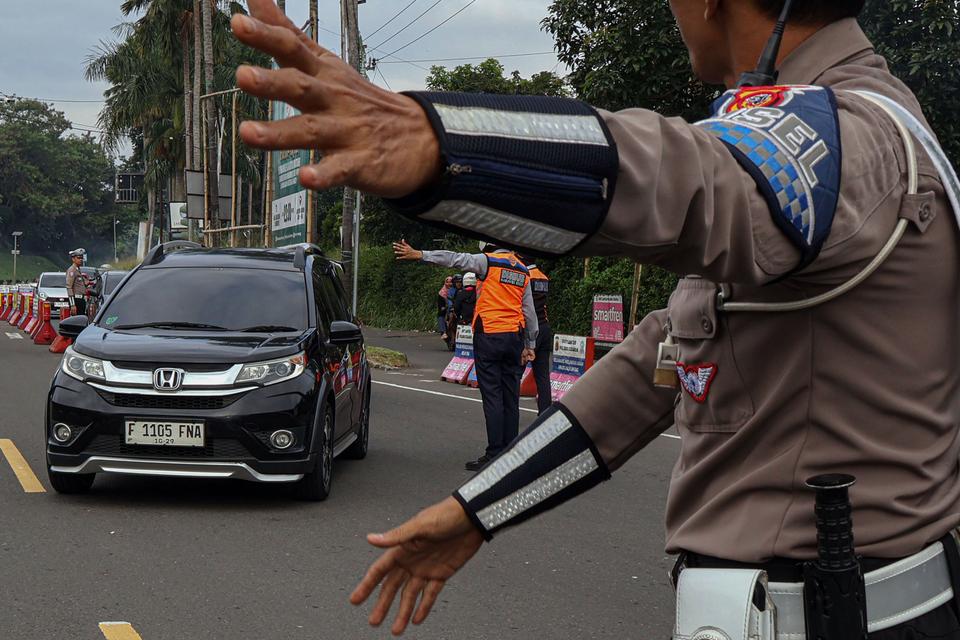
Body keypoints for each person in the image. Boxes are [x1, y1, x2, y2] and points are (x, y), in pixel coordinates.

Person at [233, 0, 960, 636]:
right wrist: (477, 510)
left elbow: (688, 176)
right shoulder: (837, 136)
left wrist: (441, 145)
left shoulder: (851, 138)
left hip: (844, 615)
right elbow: (648, 380)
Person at [394, 239, 538, 471]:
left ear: (487, 247)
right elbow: (529, 311)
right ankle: (511, 454)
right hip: (514, 338)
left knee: (493, 396)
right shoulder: (522, 269)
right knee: (511, 397)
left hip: (490, 336)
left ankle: (494, 454)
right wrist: (530, 344)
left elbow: (454, 258)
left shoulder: (487, 262)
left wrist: (421, 253)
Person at [519, 257, 553, 415]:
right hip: (545, 326)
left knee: (516, 371)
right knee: (543, 375)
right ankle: (545, 412)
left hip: (530, 328)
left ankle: (511, 409)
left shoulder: (525, 276)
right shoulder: (543, 277)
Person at [65, 248, 87, 318]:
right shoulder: (72, 270)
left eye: (82, 258)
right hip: (76, 300)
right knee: (77, 322)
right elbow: (69, 287)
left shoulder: (78, 269)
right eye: (78, 258)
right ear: (73, 259)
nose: (81, 260)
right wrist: (72, 305)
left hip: (81, 300)